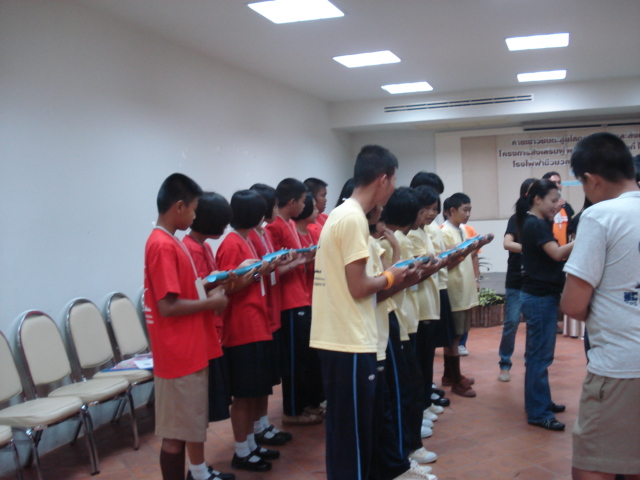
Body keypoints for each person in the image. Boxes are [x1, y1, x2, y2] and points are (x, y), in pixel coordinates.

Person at [310, 145, 408, 480]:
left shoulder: (341, 214)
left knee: (350, 435)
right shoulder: (352, 219)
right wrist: (394, 276)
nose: (393, 189)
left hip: (342, 337)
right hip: (348, 341)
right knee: (350, 439)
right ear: (382, 179)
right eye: (393, 181)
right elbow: (358, 286)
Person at [560, 132, 640, 480]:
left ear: (591, 179)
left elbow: (573, 305)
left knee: (593, 466)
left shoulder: (600, 216)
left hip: (621, 366)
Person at [144, 174, 229, 480]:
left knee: (186, 428)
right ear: (179, 207)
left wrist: (207, 287)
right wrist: (210, 303)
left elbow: (180, 291)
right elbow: (167, 307)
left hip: (189, 349)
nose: (195, 216)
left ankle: (197, 471)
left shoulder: (171, 242)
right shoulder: (162, 245)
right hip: (178, 354)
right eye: (193, 209)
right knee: (175, 436)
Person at [216, 190, 278, 472]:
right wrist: (256, 273)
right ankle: (241, 450)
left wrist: (264, 270)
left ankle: (251, 444)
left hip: (257, 322)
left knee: (255, 390)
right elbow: (227, 287)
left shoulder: (248, 239)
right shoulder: (231, 243)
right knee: (243, 394)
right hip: (241, 327)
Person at [516, 179, 574, 431]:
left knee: (538, 356)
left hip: (540, 296)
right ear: (537, 199)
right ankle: (539, 412)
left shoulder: (535, 223)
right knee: (539, 357)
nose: (556, 205)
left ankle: (539, 402)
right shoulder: (536, 224)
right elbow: (557, 254)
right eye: (552, 200)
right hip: (539, 298)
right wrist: (584, 239)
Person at [265, 178, 323, 425]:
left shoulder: (289, 224)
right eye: (302, 201)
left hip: (302, 295)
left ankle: (305, 405)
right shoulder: (274, 227)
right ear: (291, 202)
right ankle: (292, 411)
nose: (305, 205)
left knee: (305, 358)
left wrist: (306, 259)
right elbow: (272, 267)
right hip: (288, 300)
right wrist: (297, 262)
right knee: (294, 361)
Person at [248, 183, 295, 447]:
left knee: (266, 380)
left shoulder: (263, 233)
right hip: (260, 314)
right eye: (274, 205)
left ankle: (263, 424)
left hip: (272, 310)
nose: (277, 209)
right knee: (255, 383)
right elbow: (252, 275)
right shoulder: (249, 237)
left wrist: (283, 262)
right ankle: (254, 430)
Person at [441, 193, 492, 397]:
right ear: (451, 211)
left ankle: (449, 374)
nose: (468, 214)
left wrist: (477, 246)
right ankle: (455, 379)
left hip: (465, 288)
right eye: (465, 210)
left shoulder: (463, 229)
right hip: (454, 289)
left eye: (470, 209)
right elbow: (447, 262)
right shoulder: (444, 232)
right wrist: (466, 250)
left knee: (459, 335)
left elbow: (471, 257)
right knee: (453, 337)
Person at [498, 178, 536, 382]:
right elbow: (507, 243)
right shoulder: (516, 219)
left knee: (533, 324)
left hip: (535, 280)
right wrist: (531, 250)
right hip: (516, 279)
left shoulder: (542, 220)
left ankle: (532, 363)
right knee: (511, 323)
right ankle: (505, 363)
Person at [542, 171, 574, 246]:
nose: (557, 186)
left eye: (559, 183)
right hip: (548, 250)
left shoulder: (566, 206)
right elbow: (542, 226)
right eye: (553, 183)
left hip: (564, 250)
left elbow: (570, 229)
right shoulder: (541, 206)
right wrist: (556, 209)